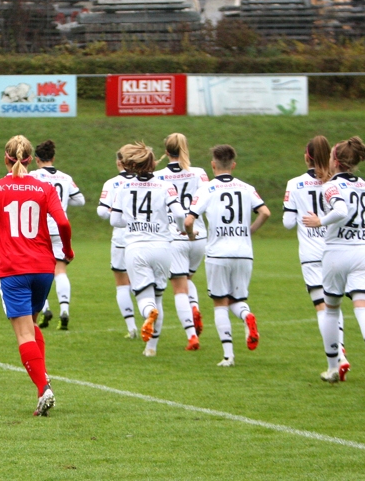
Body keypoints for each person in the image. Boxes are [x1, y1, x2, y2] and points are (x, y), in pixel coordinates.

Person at [0, 134, 73, 416]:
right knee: (33, 324)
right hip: (43, 268)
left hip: (14, 270)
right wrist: (67, 249)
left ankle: (43, 388)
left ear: (6, 159)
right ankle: (43, 380)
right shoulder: (44, 187)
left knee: (24, 332)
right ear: (29, 160)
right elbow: (62, 221)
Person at [301, 137, 365, 388]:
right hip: (364, 251)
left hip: (337, 251)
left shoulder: (330, 186)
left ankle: (333, 367)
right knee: (363, 308)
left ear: (335, 160)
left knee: (332, 309)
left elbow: (340, 211)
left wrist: (320, 221)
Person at [186, 145, 271, 367]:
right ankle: (246, 316)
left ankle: (228, 356)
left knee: (220, 303)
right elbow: (265, 212)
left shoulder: (206, 189)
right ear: (233, 165)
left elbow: (188, 221)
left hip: (218, 253)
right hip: (243, 252)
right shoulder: (246, 187)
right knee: (237, 300)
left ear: (213, 165)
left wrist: (191, 235)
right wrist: (249, 231)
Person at [283, 136, 351, 381]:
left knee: (322, 308)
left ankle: (337, 356)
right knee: (334, 305)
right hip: (335, 249)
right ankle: (340, 351)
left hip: (311, 254)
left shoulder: (294, 183)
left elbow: (288, 223)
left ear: (307, 156)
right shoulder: (337, 183)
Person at [111, 142, 186, 358]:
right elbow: (180, 214)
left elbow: (115, 220)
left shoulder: (123, 187)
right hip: (163, 246)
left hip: (136, 247)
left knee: (145, 298)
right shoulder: (165, 186)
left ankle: (148, 314)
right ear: (153, 164)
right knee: (159, 297)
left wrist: (134, 221)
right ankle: (151, 348)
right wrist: (180, 229)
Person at [154, 133, 208, 351]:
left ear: (166, 152)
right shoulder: (200, 173)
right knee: (188, 279)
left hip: (174, 236)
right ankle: (194, 307)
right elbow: (207, 199)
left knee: (178, 287)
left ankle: (191, 335)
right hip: (199, 235)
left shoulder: (158, 176)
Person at [30, 140, 85, 330]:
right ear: (53, 158)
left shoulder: (33, 175)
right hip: (60, 228)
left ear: (37, 159)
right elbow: (80, 200)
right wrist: (63, 201)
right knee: (60, 270)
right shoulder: (65, 178)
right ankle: (64, 311)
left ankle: (44, 309)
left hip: (39, 230)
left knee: (38, 271)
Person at [96, 152, 137, 338]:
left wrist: (113, 211)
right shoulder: (145, 180)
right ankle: (149, 313)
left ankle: (131, 327)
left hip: (121, 239)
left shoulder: (112, 183)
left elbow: (102, 212)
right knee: (142, 282)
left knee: (121, 283)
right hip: (142, 237)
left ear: (119, 162)